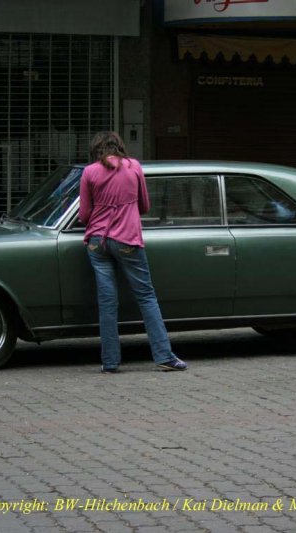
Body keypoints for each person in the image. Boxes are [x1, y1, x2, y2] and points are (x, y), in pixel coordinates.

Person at [78, 131, 188, 374]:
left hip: (97, 242)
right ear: (119, 146)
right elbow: (144, 206)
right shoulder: (134, 166)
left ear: (96, 149)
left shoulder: (89, 172)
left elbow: (84, 215)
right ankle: (164, 356)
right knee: (146, 296)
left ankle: (110, 362)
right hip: (127, 239)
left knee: (107, 301)